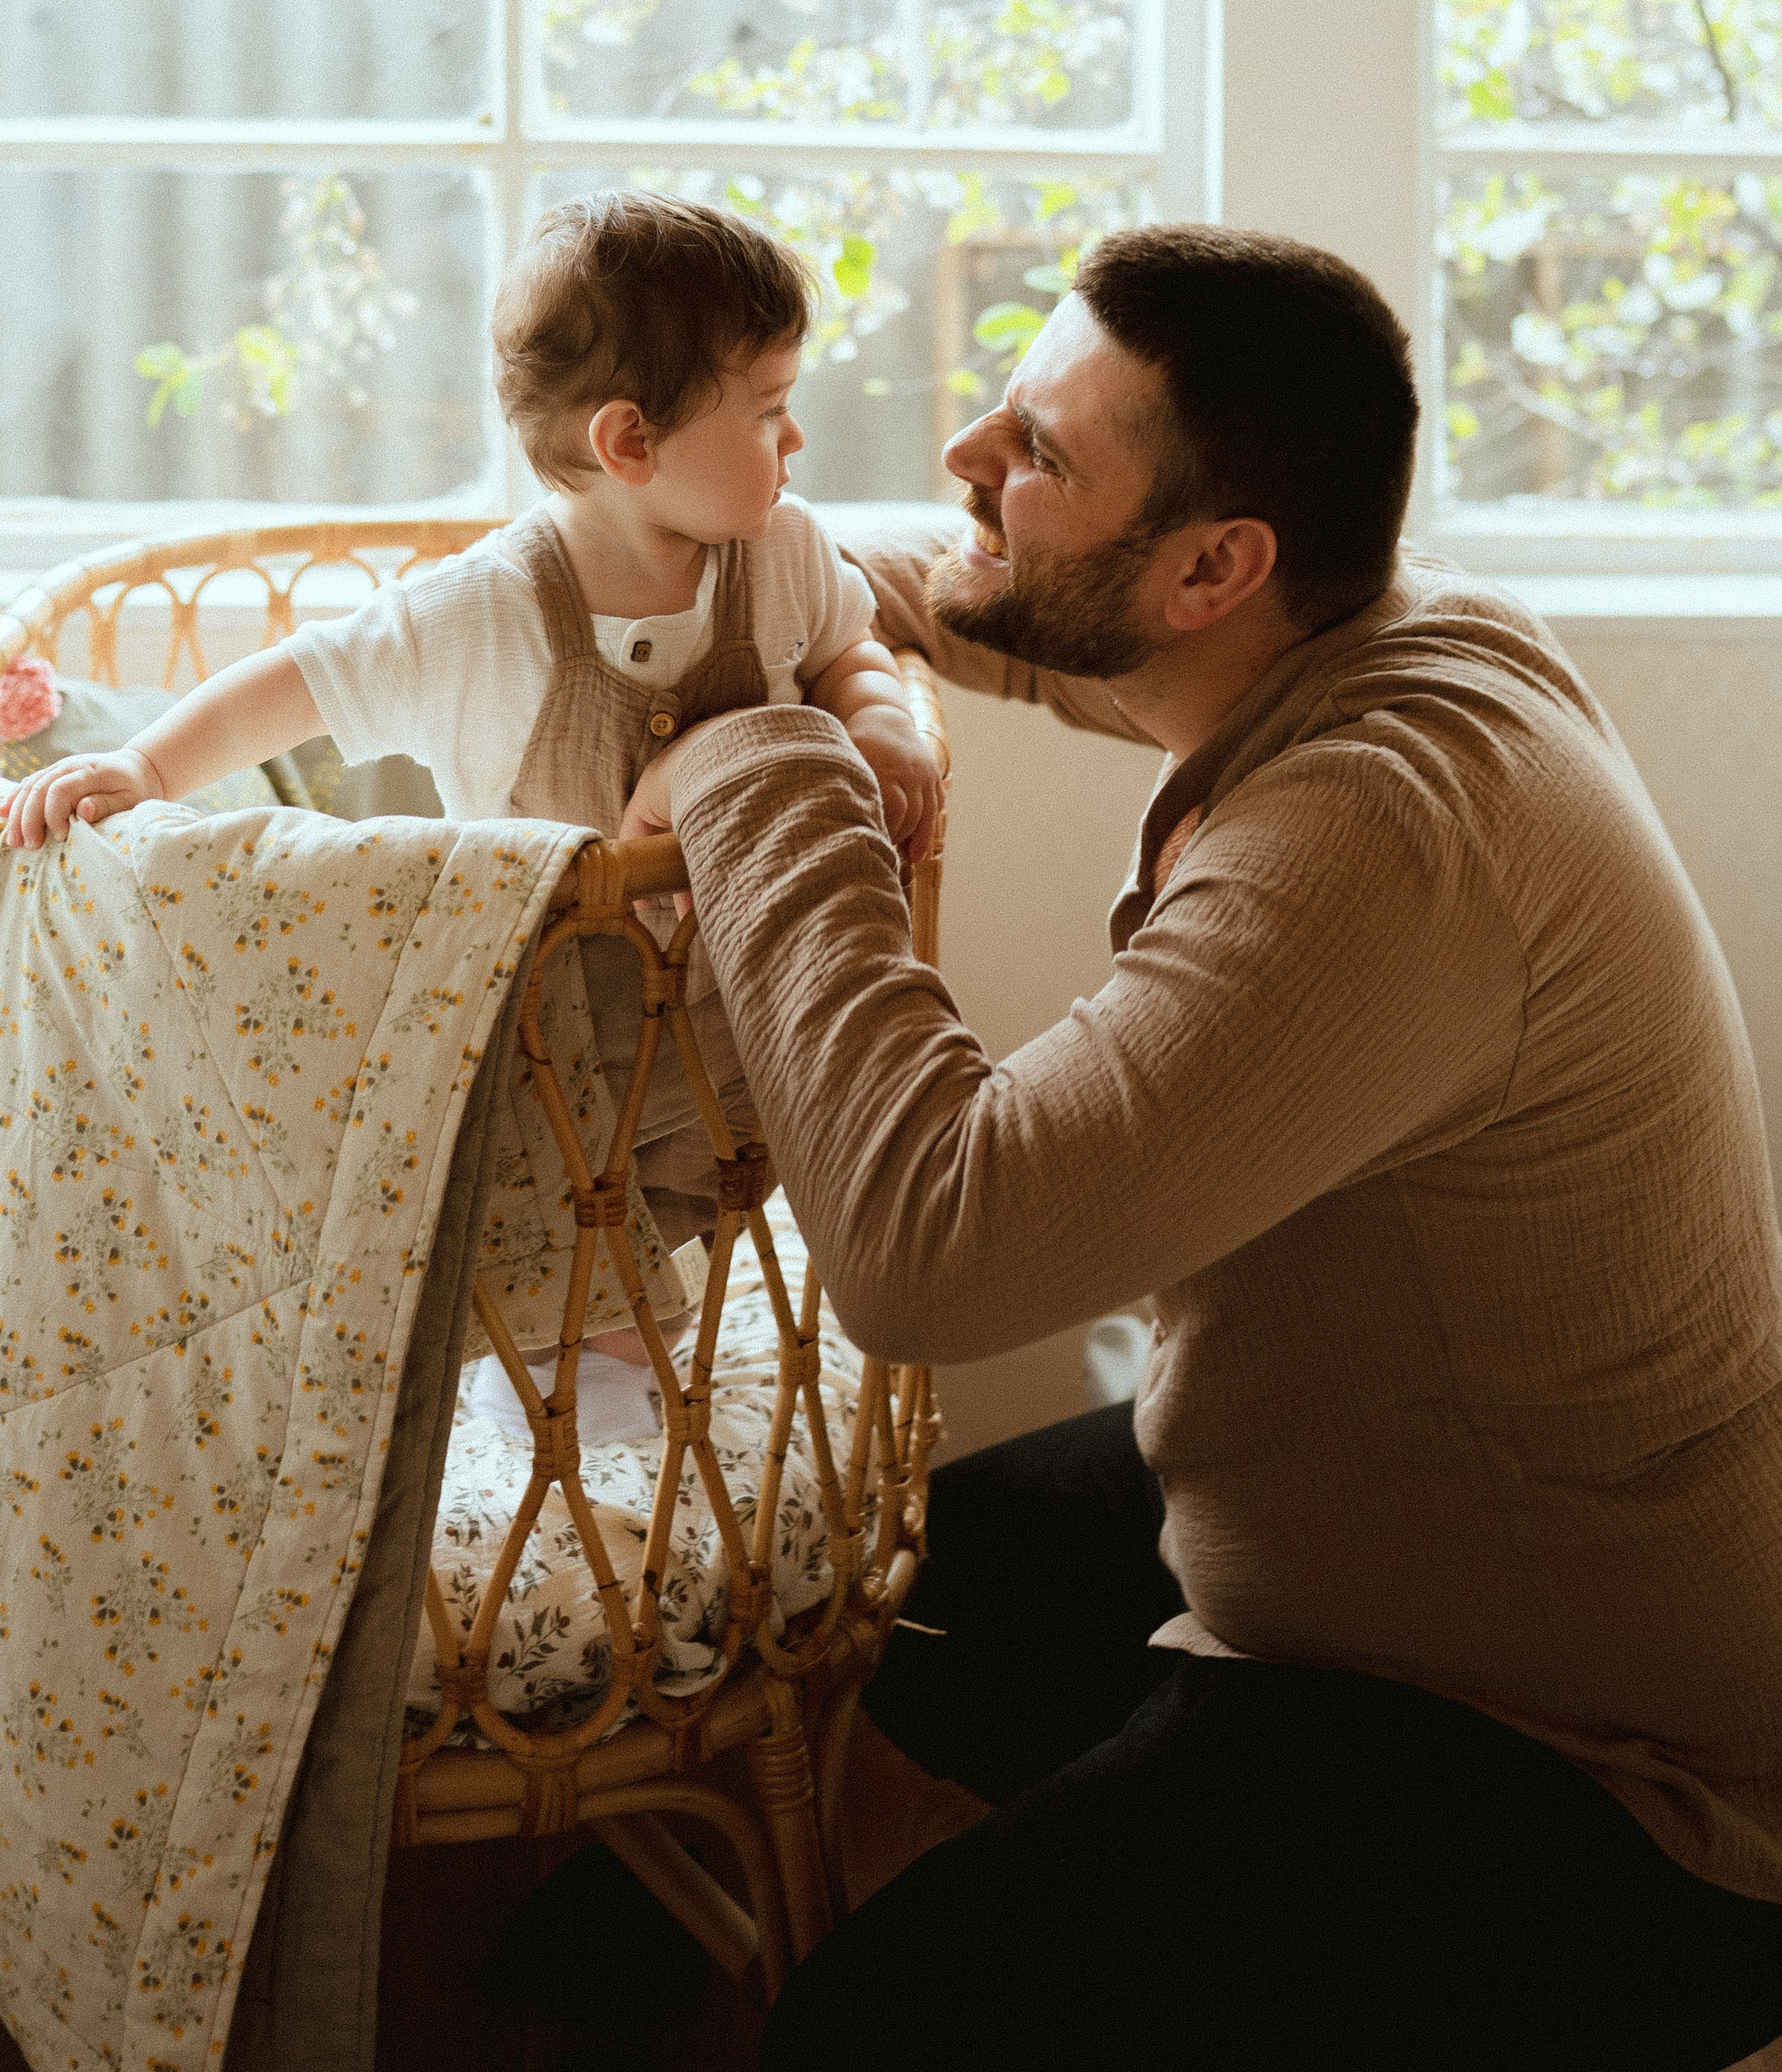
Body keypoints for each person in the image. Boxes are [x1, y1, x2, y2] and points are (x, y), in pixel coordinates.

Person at [619, 222, 1782, 2070]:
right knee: (915, 1588)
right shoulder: (1376, 631)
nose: (966, 466)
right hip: (1418, 1527)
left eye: (1037, 458)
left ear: (1210, 565)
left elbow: (936, 1250)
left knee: (862, 2037)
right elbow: (1043, 632)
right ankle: (607, 1961)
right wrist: (771, 590)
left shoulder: (1372, 840)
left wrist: (761, 764)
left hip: (1594, 1766)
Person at [0, 188, 943, 1432]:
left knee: (750, 1161)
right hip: (561, 1008)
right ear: (628, 442)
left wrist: (874, 721)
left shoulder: (787, 551)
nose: (795, 440)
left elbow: (850, 654)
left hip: (741, 983)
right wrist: (152, 770)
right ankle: (566, 1371)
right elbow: (304, 679)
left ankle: (634, 1329)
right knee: (557, 1214)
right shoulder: (486, 614)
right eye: (768, 411)